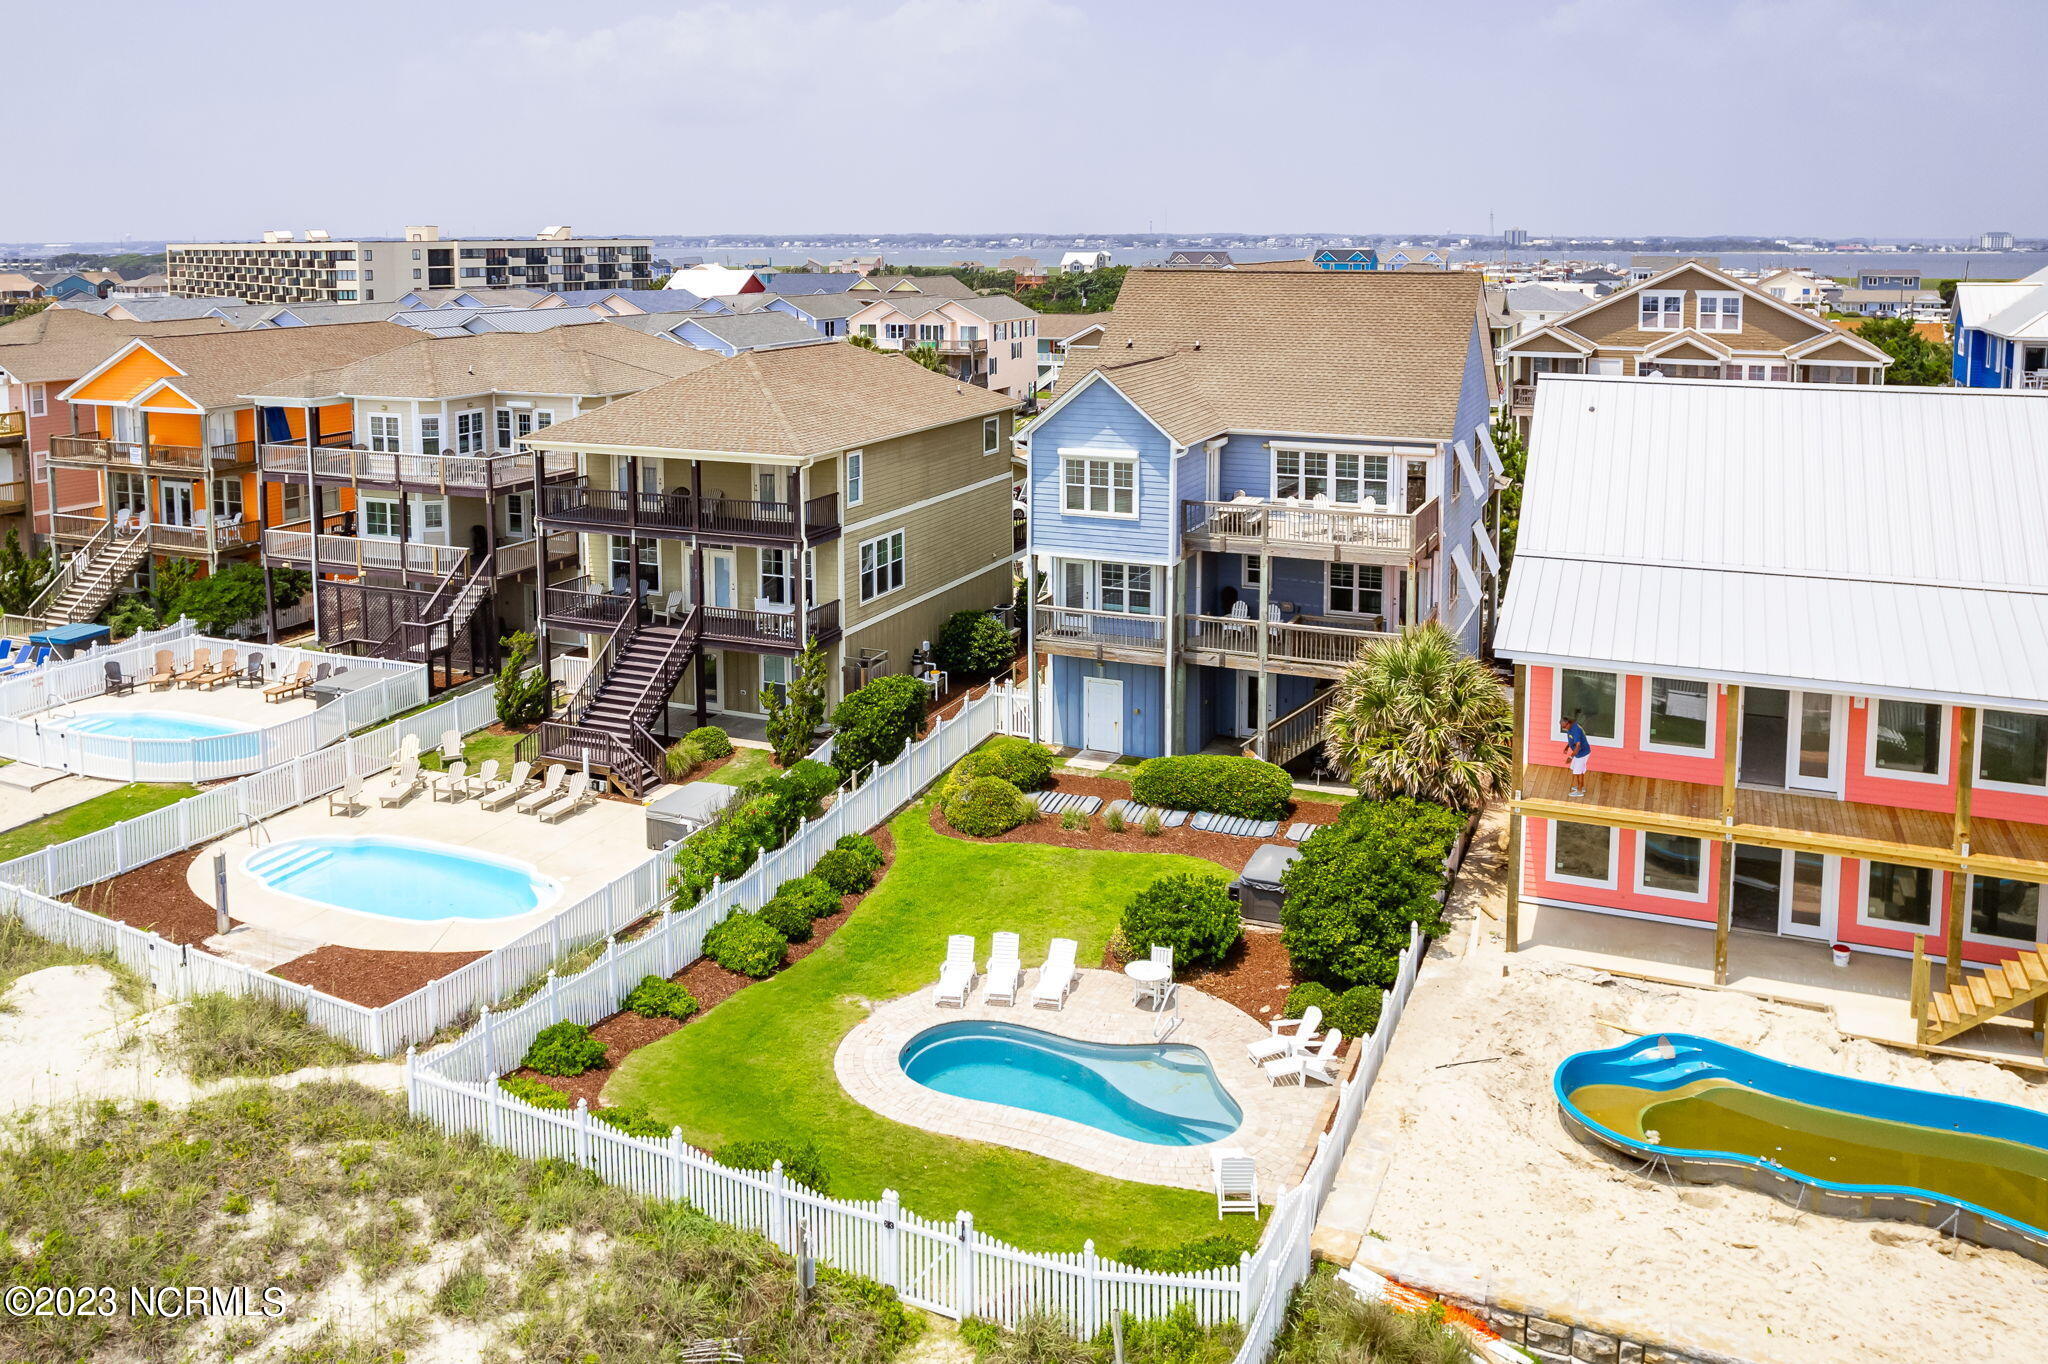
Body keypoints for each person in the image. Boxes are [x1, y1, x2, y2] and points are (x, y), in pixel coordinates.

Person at [1560, 712, 1592, 797]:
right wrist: (1567, 747)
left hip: (1582, 753)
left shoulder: (1576, 730)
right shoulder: (1570, 728)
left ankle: (1580, 790)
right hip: (1578, 753)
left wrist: (1571, 757)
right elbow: (1572, 740)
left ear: (1568, 723)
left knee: (1578, 771)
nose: (1563, 728)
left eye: (1564, 726)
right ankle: (1580, 786)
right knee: (1577, 770)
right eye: (1562, 727)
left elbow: (1578, 745)